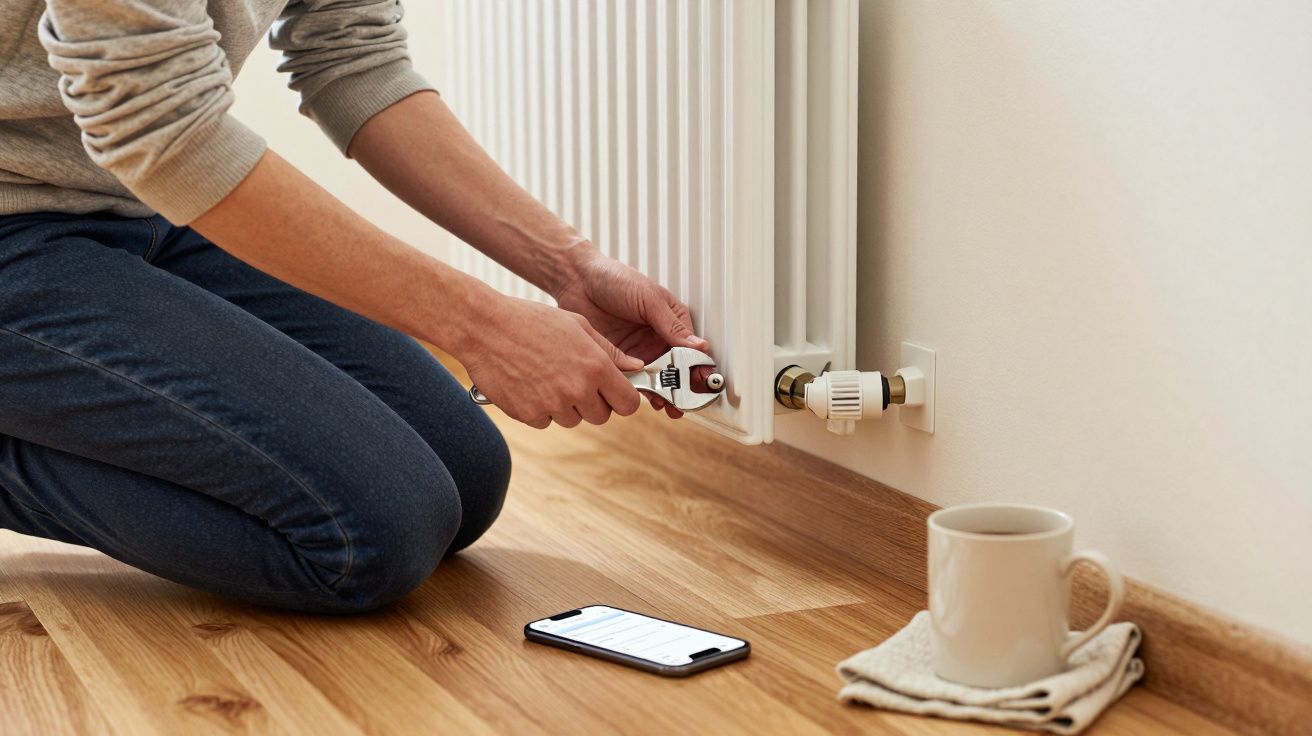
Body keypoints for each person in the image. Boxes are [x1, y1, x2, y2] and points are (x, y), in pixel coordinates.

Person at [0, 0, 708, 613]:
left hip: (141, 203)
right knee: (366, 537)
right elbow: (163, 131)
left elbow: (352, 52)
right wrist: (487, 327)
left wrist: (570, 267)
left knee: (467, 475)